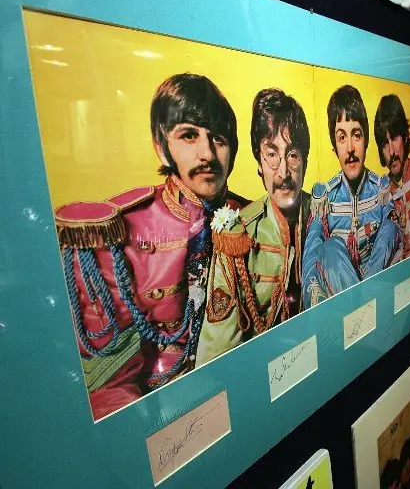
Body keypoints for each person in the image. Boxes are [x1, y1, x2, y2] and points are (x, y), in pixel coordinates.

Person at [54, 73, 248, 419]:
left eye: (218, 139)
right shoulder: (120, 231)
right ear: (162, 146)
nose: (207, 153)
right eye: (189, 135)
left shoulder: (249, 216)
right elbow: (109, 387)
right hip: (160, 414)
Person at [195, 88, 312, 365]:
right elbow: (218, 358)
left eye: (293, 155)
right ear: (259, 162)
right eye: (272, 155)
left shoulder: (326, 216)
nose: (283, 173)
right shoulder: (237, 235)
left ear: (305, 160)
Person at [302, 85, 402, 307]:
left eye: (356, 135)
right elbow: (310, 257)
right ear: (334, 148)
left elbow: (395, 242)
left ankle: (366, 306)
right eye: (341, 138)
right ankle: (362, 309)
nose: (350, 148)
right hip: (339, 298)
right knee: (329, 247)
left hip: (379, 288)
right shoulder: (324, 195)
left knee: (391, 228)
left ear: (366, 140)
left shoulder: (380, 188)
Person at [374, 94, 410, 259]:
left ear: (405, 136)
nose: (391, 152)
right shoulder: (379, 191)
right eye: (384, 143)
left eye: (394, 137)